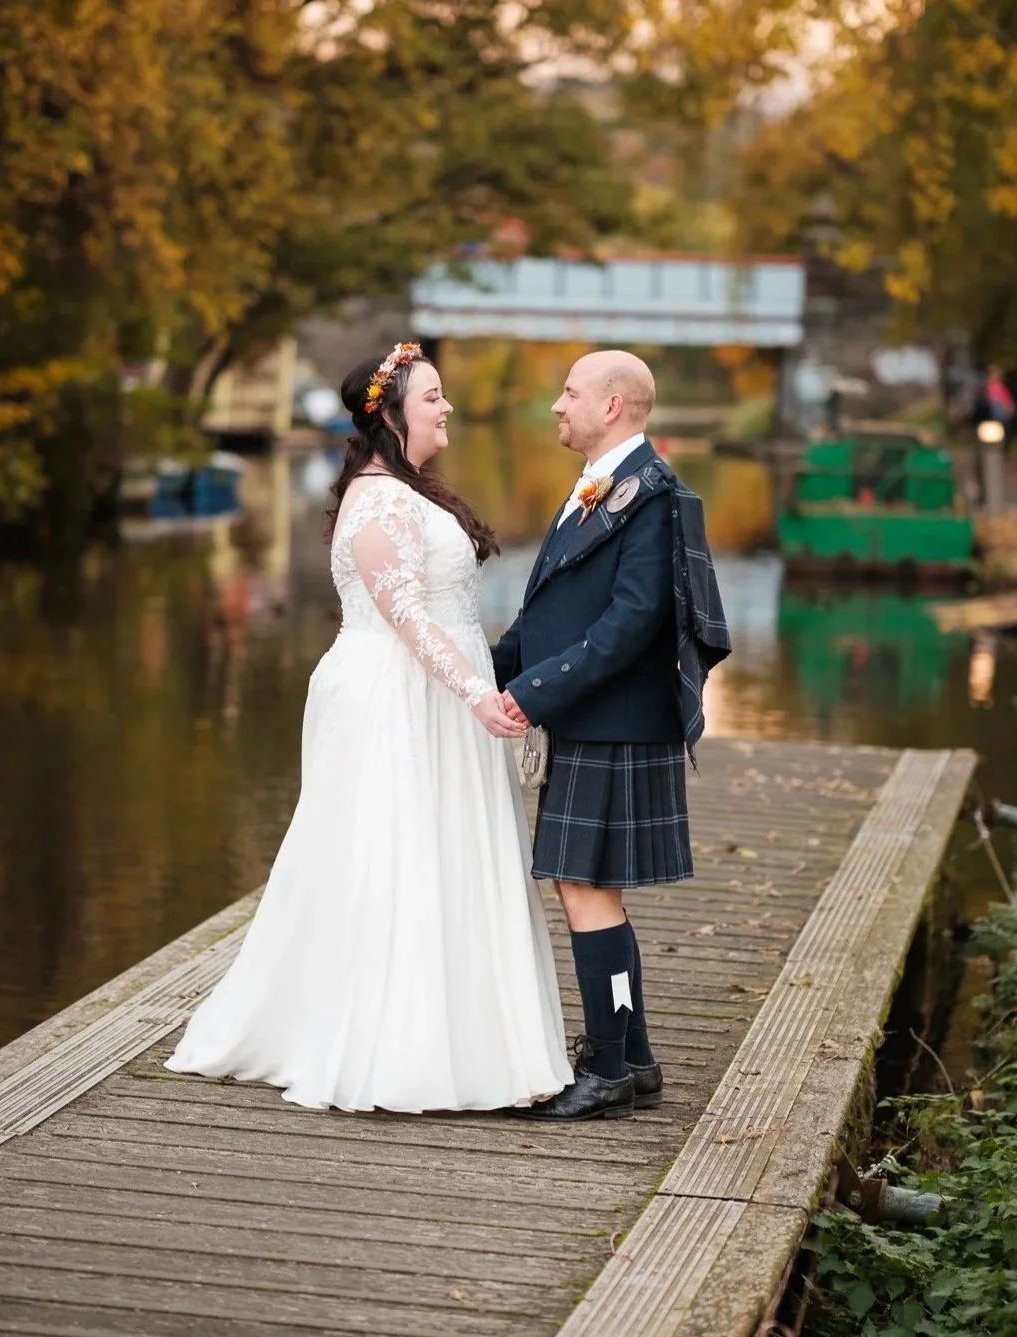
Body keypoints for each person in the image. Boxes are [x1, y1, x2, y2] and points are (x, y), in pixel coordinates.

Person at [166, 343, 573, 1111]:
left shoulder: (408, 490)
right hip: (398, 693)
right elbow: (406, 613)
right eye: (432, 398)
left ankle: (471, 1040)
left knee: (441, 851)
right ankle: (394, 1044)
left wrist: (484, 684)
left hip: (435, 692)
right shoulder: (380, 499)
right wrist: (474, 694)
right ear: (388, 414)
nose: (446, 407)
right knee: (398, 854)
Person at [493, 351, 731, 1121]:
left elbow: (631, 626)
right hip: (595, 716)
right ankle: (631, 1055)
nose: (557, 405)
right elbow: (550, 615)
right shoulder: (602, 487)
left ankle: (605, 1065)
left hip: (616, 721)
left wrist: (530, 693)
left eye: (569, 392)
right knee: (591, 887)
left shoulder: (652, 497)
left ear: (616, 406)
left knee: (584, 887)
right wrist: (481, 672)